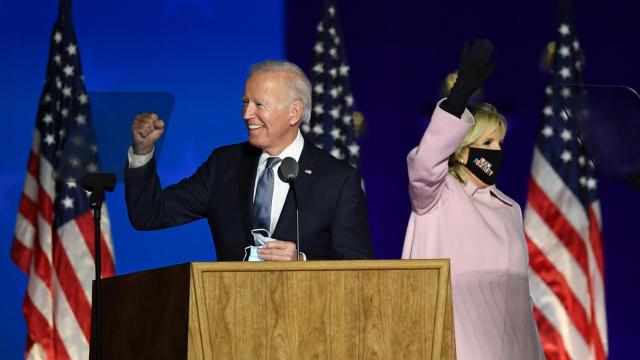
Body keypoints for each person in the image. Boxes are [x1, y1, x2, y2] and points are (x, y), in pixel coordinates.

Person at [125, 60, 374, 261]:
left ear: (294, 112)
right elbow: (149, 214)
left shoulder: (337, 179)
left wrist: (302, 262)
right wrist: (142, 152)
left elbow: (356, 268)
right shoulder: (224, 165)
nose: (246, 114)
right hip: (230, 314)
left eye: (259, 104)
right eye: (245, 102)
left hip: (305, 316)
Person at [402, 39, 545, 359]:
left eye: (500, 143)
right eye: (487, 142)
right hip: (456, 344)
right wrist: (457, 99)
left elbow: (520, 301)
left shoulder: (509, 209)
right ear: (462, 149)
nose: (496, 152)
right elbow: (426, 163)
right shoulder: (437, 194)